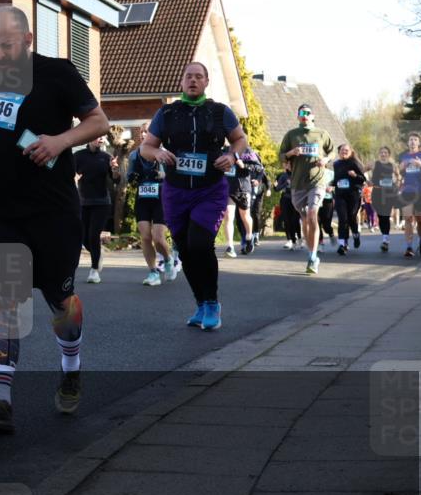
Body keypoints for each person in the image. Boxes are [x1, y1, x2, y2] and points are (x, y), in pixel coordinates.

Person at [0, 6, 109, 431]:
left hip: (52, 213)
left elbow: (98, 121)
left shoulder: (57, 72)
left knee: (61, 303)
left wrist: (59, 142)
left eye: (6, 46)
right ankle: (0, 400)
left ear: (28, 40)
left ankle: (71, 365)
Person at [140, 62, 248, 332]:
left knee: (200, 244)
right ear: (181, 81)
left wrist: (232, 155)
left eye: (198, 77)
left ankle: (212, 303)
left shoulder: (220, 112)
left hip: (210, 189)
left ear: (206, 82)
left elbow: (240, 140)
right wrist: (158, 154)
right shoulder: (167, 113)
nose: (193, 81)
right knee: (184, 248)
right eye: (188, 76)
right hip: (175, 191)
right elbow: (146, 147)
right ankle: (200, 303)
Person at [279, 103, 335, 275]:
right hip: (297, 183)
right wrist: (290, 154)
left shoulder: (322, 134)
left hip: (317, 181)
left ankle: (312, 256)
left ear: (313, 116)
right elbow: (281, 155)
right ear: (298, 117)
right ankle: (311, 251)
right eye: (301, 113)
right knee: (304, 219)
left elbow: (332, 152)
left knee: (312, 213)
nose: (304, 115)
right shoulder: (291, 135)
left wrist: (326, 160)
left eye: (307, 113)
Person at [128, 123, 176, 286]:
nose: (143, 135)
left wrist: (165, 175)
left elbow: (178, 176)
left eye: (147, 132)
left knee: (158, 237)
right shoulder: (134, 155)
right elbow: (130, 178)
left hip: (162, 198)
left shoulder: (166, 153)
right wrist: (132, 177)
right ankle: (153, 272)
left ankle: (168, 260)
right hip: (143, 198)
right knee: (146, 237)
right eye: (141, 132)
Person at [74, 136, 119, 284]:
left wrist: (115, 170)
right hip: (83, 202)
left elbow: (116, 180)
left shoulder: (106, 157)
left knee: (93, 235)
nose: (100, 138)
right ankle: (97, 254)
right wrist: (73, 179)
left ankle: (94, 271)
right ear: (89, 139)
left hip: (101, 202)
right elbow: (69, 175)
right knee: (83, 237)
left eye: (102, 136)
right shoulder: (78, 156)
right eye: (97, 136)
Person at [397, 133, 421, 257]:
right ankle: (409, 247)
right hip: (407, 191)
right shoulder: (403, 156)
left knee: (420, 219)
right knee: (408, 218)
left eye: (415, 140)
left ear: (419, 143)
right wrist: (401, 169)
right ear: (408, 143)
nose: (413, 142)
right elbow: (402, 173)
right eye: (411, 140)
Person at [332, 144, 366, 255]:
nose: (344, 152)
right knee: (343, 219)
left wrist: (355, 175)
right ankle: (343, 244)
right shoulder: (336, 164)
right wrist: (330, 184)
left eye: (346, 150)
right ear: (339, 152)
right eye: (342, 150)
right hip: (340, 194)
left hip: (353, 195)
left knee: (351, 217)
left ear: (351, 152)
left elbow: (362, 180)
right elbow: (336, 179)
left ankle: (355, 234)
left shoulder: (354, 163)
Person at [370, 146, 398, 252]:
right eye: (381, 152)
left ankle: (385, 239)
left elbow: (399, 176)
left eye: (385, 152)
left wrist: (396, 184)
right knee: (381, 216)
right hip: (376, 193)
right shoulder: (374, 164)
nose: (383, 154)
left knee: (386, 216)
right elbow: (361, 170)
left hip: (388, 193)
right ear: (379, 154)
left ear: (389, 154)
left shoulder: (393, 165)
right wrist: (366, 181)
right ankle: (385, 236)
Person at [274, 162, 301, 249]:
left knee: (295, 220)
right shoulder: (283, 176)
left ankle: (299, 238)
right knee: (287, 220)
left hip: (296, 199)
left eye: (291, 164)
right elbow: (277, 188)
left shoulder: (298, 174)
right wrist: (286, 183)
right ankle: (291, 240)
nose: (289, 166)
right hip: (285, 199)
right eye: (288, 164)